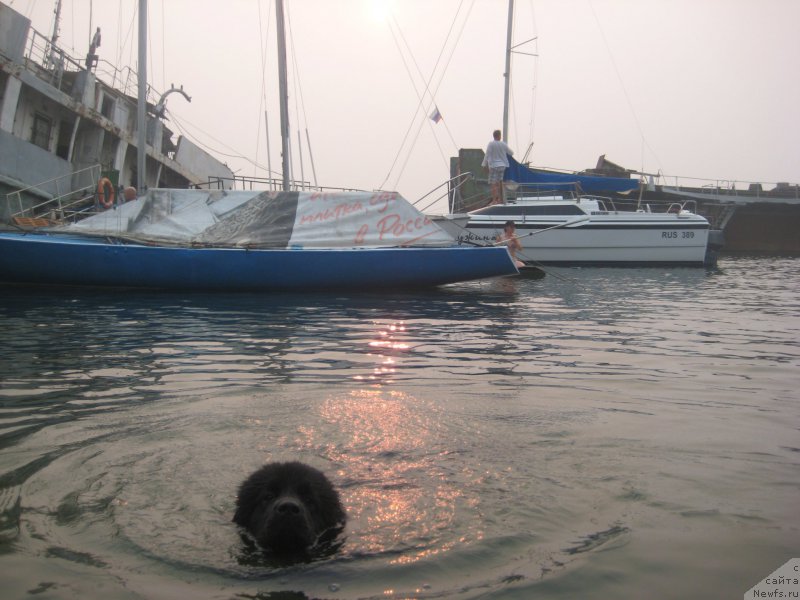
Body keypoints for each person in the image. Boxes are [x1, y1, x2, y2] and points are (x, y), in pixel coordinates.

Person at [482, 130, 513, 205]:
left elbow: (487, 154)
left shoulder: (491, 144)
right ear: (499, 136)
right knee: (499, 183)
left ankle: (494, 201)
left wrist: (484, 164)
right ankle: (500, 199)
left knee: (493, 183)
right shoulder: (503, 144)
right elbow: (511, 153)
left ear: (494, 136)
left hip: (494, 166)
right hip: (502, 166)